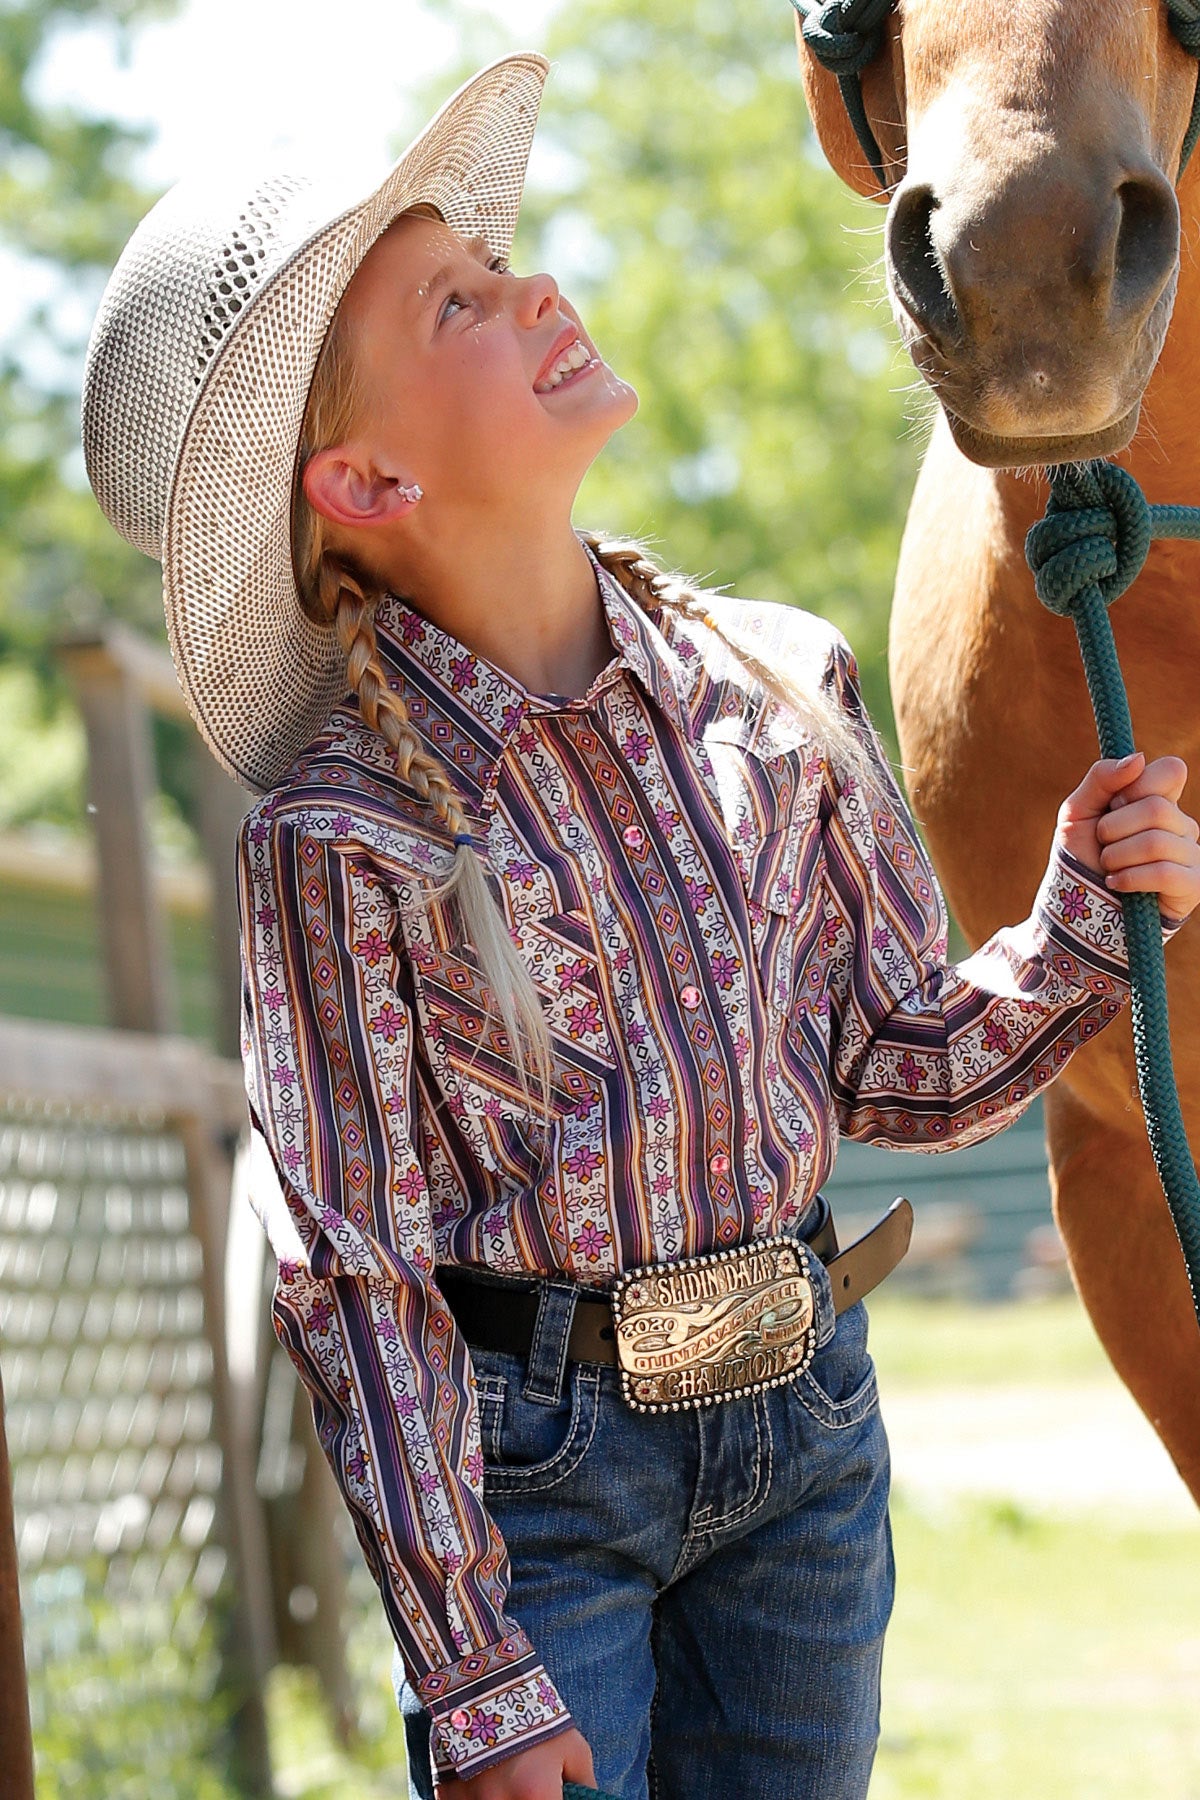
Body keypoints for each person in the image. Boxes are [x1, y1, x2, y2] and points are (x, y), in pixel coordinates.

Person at [80, 50, 1200, 1800]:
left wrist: (1077, 919)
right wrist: (471, 1671)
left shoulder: (783, 685)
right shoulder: (343, 841)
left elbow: (890, 1071)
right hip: (541, 1496)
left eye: (499, 257)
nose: (532, 281)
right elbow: (353, 1271)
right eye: (456, 299)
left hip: (806, 1437)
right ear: (364, 487)